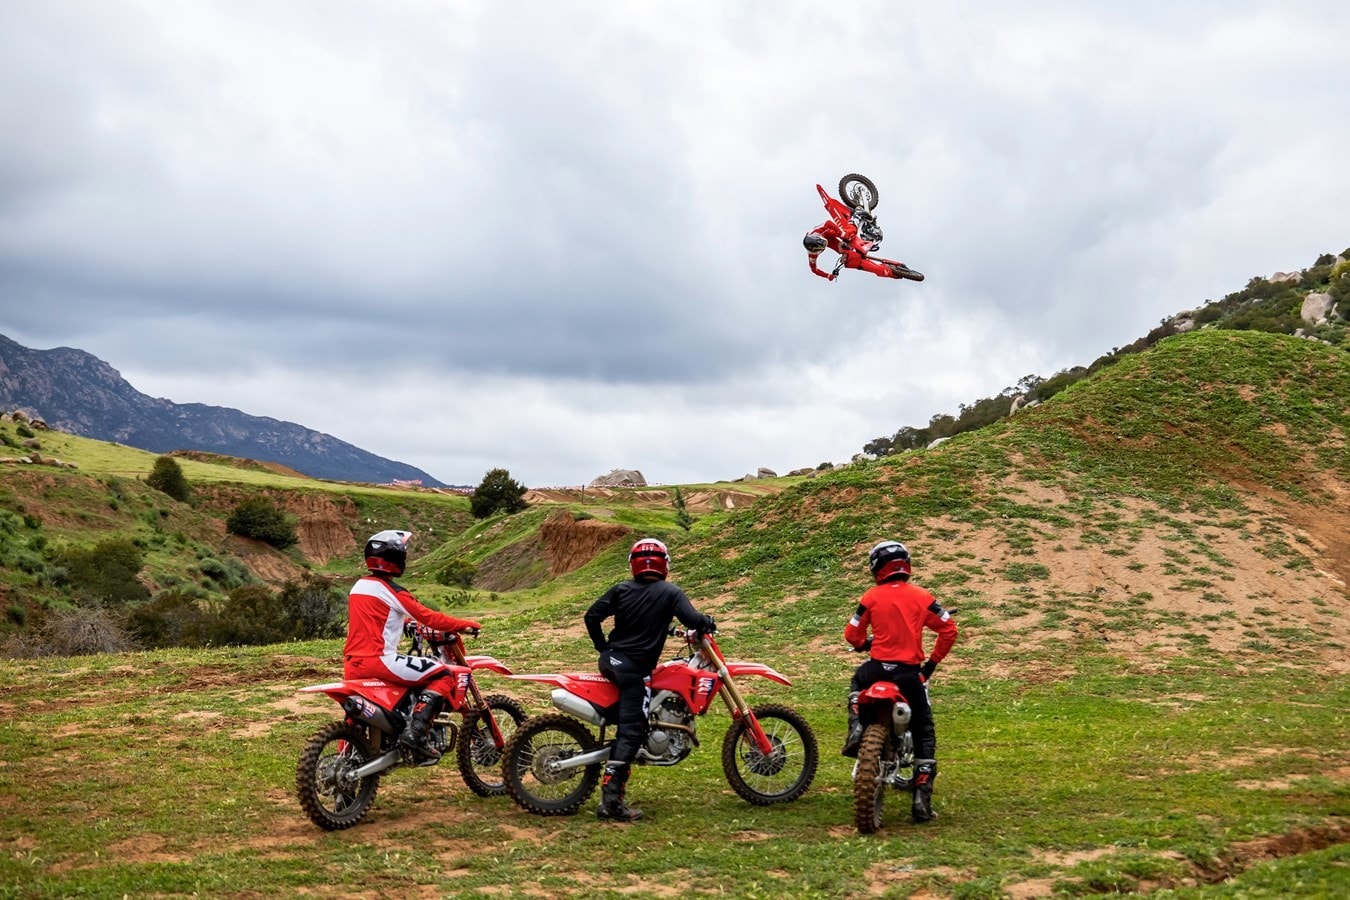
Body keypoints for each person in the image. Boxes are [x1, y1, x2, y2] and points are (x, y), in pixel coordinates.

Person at [584, 537, 716, 822]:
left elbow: (591, 616)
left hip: (612, 661)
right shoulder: (670, 592)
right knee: (632, 730)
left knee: (630, 719)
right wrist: (706, 622)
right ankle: (611, 802)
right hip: (632, 670)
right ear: (664, 564)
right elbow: (694, 620)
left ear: (633, 564)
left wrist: (603, 647)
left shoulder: (622, 589)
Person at [843, 540, 957, 823]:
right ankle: (921, 800)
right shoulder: (922, 596)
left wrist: (864, 644)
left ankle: (857, 728)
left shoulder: (870, 597)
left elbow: (852, 634)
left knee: (857, 682)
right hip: (908, 674)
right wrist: (931, 665)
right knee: (923, 731)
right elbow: (948, 629)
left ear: (876, 567)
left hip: (877, 669)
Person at [344, 529, 481, 762]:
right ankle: (416, 733)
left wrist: (405, 622)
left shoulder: (359, 587)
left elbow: (376, 616)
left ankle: (353, 750)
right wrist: (464, 625)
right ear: (396, 559)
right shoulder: (394, 592)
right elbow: (430, 617)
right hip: (380, 661)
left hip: (352, 664)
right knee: (444, 675)